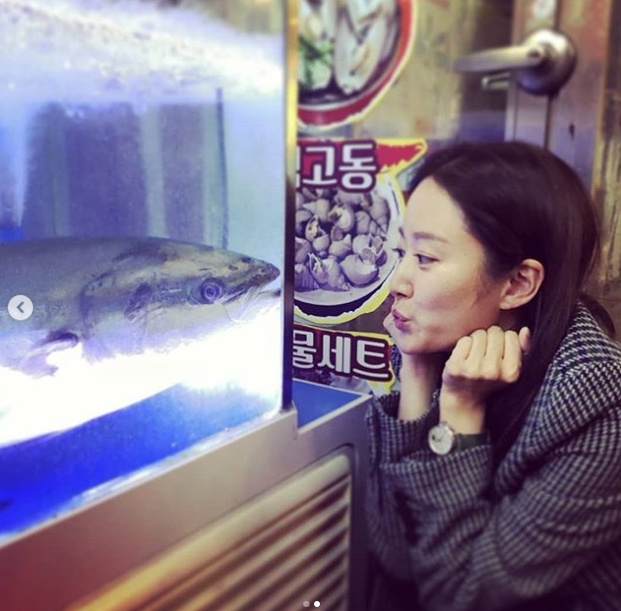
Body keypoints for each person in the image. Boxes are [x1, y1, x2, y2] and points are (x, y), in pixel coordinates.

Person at [365, 141, 621, 611]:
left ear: (518, 283)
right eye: (403, 251)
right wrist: (417, 371)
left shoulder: (599, 402)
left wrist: (460, 413)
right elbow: (396, 557)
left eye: (424, 259)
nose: (397, 282)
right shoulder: (449, 338)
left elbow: (460, 596)